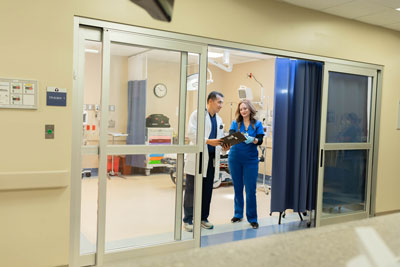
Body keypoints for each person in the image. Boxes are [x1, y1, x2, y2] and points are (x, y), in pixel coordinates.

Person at [183, 91, 229, 232]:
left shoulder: (219, 119)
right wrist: (208, 141)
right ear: (210, 101)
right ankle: (188, 219)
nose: (221, 105)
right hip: (198, 157)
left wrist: (224, 146)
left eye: (222, 102)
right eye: (219, 102)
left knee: (207, 189)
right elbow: (191, 134)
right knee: (192, 189)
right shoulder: (197, 114)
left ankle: (203, 218)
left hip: (211, 159)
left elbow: (219, 139)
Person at [228, 99, 264, 229]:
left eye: (245, 108)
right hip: (235, 159)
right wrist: (240, 136)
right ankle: (238, 214)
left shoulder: (257, 124)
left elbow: (260, 140)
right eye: (241, 109)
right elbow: (231, 137)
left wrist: (253, 139)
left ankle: (252, 218)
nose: (243, 111)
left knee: (250, 190)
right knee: (237, 188)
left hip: (251, 161)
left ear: (250, 109)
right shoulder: (235, 123)